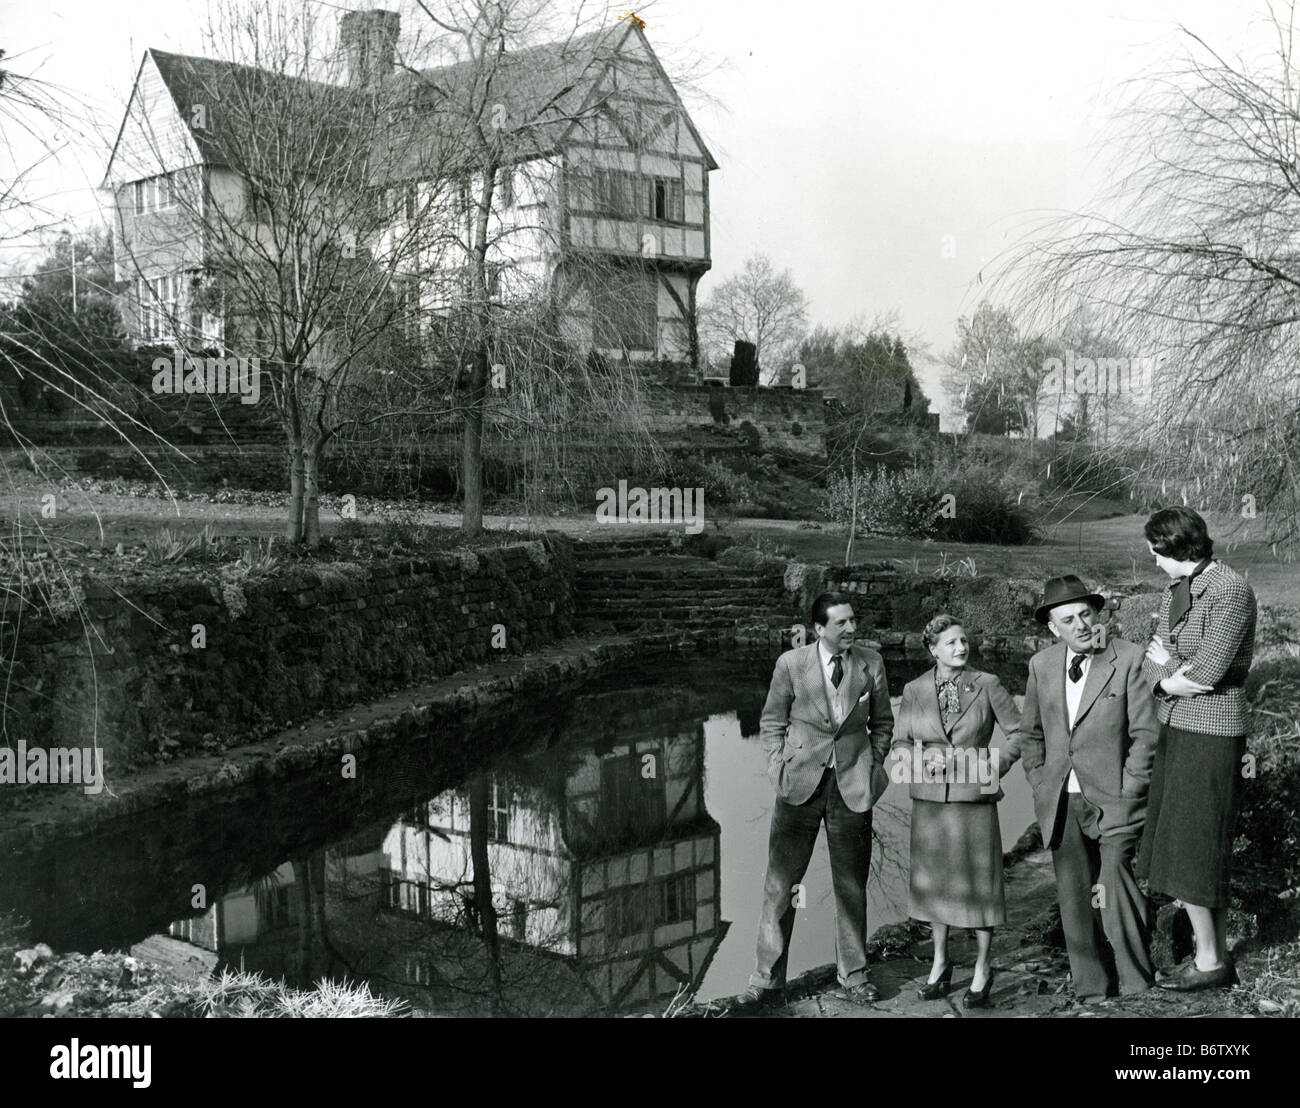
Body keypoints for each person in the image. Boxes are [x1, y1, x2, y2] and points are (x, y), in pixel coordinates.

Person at [733, 591, 894, 1011]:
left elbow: (883, 724)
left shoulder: (870, 663)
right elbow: (771, 721)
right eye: (841, 623)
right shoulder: (791, 664)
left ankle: (854, 975)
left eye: (853, 621)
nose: (851, 629)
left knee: (851, 886)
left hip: (852, 788)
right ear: (819, 628)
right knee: (781, 886)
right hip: (799, 785)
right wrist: (777, 768)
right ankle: (766, 981)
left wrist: (872, 769)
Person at [1007, 574, 1159, 1000]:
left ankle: (1136, 985)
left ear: (1098, 614)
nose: (1079, 625)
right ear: (1053, 628)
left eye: (1085, 615)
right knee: (1075, 898)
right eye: (1067, 619)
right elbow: (1031, 733)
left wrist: (1130, 790)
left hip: (1114, 798)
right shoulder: (1041, 665)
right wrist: (1038, 780)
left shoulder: (1128, 658)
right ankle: (1092, 989)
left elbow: (1146, 736)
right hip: (1059, 798)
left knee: (1113, 888)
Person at [1138, 507, 1256, 992]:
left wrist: (1173, 670)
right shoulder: (1175, 591)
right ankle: (1212, 954)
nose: (1150, 558)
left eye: (1153, 549)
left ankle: (1210, 962)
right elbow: (1153, 660)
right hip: (1178, 725)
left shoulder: (1230, 591)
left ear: (1169, 546)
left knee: (1197, 844)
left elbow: (1206, 674)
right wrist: (1173, 674)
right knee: (1180, 842)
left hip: (1212, 734)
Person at [888, 614, 1020, 1008]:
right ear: (932, 650)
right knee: (936, 885)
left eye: (964, 640)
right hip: (929, 802)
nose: (961, 648)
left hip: (974, 799)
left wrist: (991, 767)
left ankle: (982, 967)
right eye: (951, 643)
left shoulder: (988, 684)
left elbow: (1020, 733)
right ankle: (940, 962)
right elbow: (898, 742)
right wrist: (916, 761)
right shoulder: (913, 690)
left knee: (980, 884)